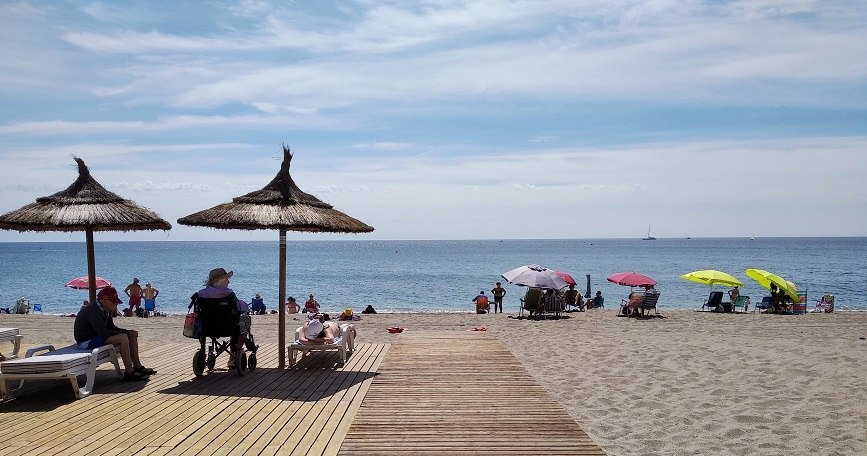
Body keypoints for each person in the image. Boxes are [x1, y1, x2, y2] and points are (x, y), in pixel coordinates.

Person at [73, 286, 155, 381]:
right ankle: (129, 372)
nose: (116, 304)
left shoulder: (105, 309)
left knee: (131, 335)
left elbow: (112, 328)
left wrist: (129, 332)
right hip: (87, 341)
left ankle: (138, 366)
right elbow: (103, 332)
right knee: (123, 337)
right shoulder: (93, 310)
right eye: (114, 302)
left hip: (97, 337)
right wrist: (125, 333)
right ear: (104, 300)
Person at [197, 267, 248, 368]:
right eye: (226, 279)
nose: (229, 281)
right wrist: (246, 306)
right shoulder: (228, 294)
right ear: (220, 281)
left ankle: (203, 353)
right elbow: (240, 307)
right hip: (228, 327)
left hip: (207, 327)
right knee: (245, 321)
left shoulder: (201, 294)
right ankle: (234, 355)